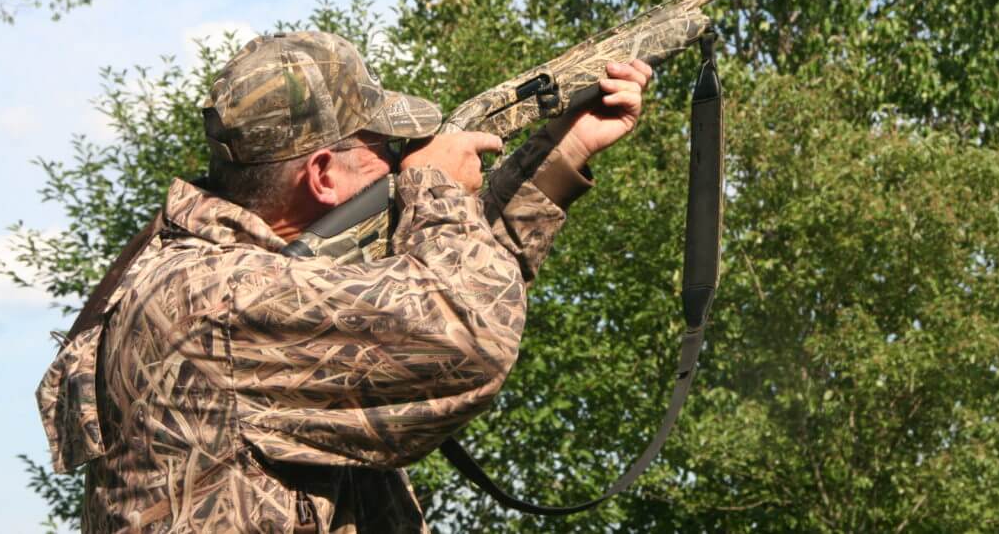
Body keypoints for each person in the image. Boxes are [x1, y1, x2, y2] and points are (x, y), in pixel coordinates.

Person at [37, 31, 651, 532]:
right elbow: (464, 334)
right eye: (386, 147)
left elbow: (441, 289)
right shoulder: (215, 296)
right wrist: (435, 188)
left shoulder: (208, 269)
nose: (401, 162)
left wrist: (561, 157)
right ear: (323, 174)